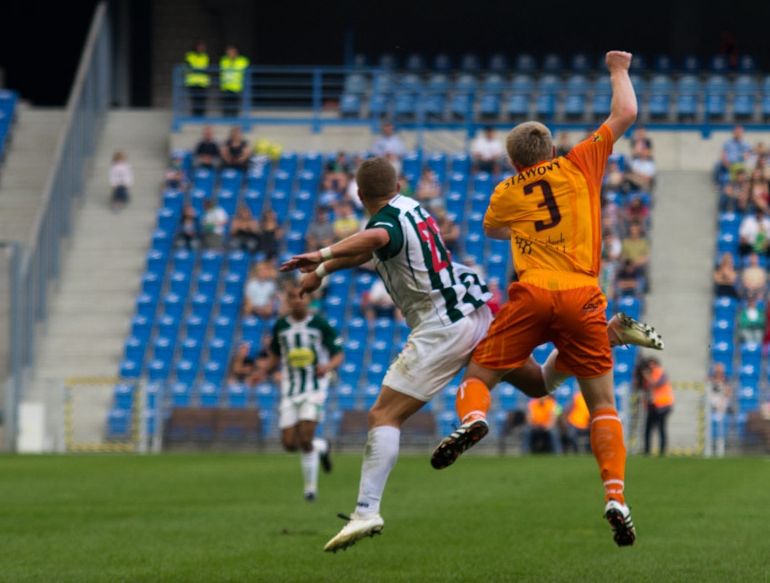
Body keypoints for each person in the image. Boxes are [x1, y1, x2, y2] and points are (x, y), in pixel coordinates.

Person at [281, 156, 665, 552]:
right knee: (537, 384)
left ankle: (367, 510)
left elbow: (376, 240)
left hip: (441, 327)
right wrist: (323, 272)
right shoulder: (410, 208)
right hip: (473, 309)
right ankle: (608, 334)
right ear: (398, 187)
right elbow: (373, 246)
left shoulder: (383, 225)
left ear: (359, 195)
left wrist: (322, 254)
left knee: (384, 415)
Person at [429, 51, 646, 548]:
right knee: (602, 405)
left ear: (513, 160)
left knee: (482, 372)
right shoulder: (580, 163)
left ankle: (474, 418)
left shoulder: (507, 189)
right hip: (584, 295)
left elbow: (494, 229)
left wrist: (527, 225)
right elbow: (626, 113)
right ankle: (615, 494)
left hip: (531, 294)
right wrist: (617, 69)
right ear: (550, 148)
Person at [249, 285, 340, 502]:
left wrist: (327, 367)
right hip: (290, 390)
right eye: (293, 297)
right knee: (290, 444)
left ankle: (310, 489)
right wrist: (261, 372)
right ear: (288, 301)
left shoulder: (320, 324)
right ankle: (322, 447)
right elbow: (275, 356)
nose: (298, 301)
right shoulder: (280, 326)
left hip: (314, 387)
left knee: (305, 436)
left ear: (308, 299)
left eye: (302, 296)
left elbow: (338, 354)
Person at [642, 358, 673, 456]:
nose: (651, 367)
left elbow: (656, 384)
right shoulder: (648, 375)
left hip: (663, 405)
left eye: (653, 365)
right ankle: (647, 450)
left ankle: (662, 451)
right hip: (652, 406)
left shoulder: (660, 373)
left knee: (661, 429)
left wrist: (646, 376)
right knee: (648, 429)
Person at [707, 363, 732, 457]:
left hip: (722, 407)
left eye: (720, 370)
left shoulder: (726, 381)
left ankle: (720, 449)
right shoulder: (711, 380)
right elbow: (709, 393)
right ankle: (708, 448)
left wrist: (722, 403)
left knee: (720, 428)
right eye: (717, 370)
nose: (719, 372)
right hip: (712, 407)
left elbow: (728, 393)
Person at [219, 45, 249, 118]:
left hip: (237, 86)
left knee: (235, 104)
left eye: (232, 52)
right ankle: (226, 118)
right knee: (226, 104)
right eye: (229, 52)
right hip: (226, 86)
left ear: (236, 52)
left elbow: (247, 71)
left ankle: (234, 118)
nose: (230, 53)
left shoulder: (243, 60)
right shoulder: (224, 60)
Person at [183, 41, 210, 117]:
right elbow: (185, 67)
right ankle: (194, 116)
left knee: (202, 101)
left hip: (202, 82)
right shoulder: (190, 55)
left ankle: (201, 116)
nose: (201, 48)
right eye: (199, 46)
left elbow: (207, 68)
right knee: (194, 101)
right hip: (192, 82)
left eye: (202, 47)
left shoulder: (205, 56)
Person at [561, 389, 591, 454]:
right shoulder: (577, 397)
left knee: (595, 434)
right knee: (571, 434)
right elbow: (567, 409)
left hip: (587, 424)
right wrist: (565, 420)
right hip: (575, 423)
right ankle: (576, 451)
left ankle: (590, 452)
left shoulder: (592, 398)